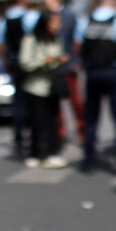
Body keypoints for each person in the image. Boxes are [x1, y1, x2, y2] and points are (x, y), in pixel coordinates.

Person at [74, 0, 116, 176]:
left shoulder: (86, 20)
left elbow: (77, 46)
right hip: (115, 72)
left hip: (93, 72)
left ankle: (89, 159)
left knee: (91, 119)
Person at [0, 0, 43, 157]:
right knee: (34, 100)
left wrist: (5, 62)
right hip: (31, 63)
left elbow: (0, 44)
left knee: (19, 102)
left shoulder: (4, 18)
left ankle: (18, 138)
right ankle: (34, 137)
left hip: (15, 61)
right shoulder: (30, 16)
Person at [18, 10, 69, 169]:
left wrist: (58, 60)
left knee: (52, 122)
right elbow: (25, 63)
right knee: (36, 122)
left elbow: (57, 57)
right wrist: (43, 61)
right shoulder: (31, 40)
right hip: (35, 87)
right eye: (55, 22)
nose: (58, 26)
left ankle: (51, 152)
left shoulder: (55, 39)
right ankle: (35, 153)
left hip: (51, 86)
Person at [41, 0, 85, 145]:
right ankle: (59, 132)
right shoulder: (44, 16)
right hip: (52, 66)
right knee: (55, 103)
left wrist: (75, 61)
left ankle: (81, 131)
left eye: (48, 0)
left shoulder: (69, 16)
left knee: (75, 102)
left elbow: (76, 40)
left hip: (67, 65)